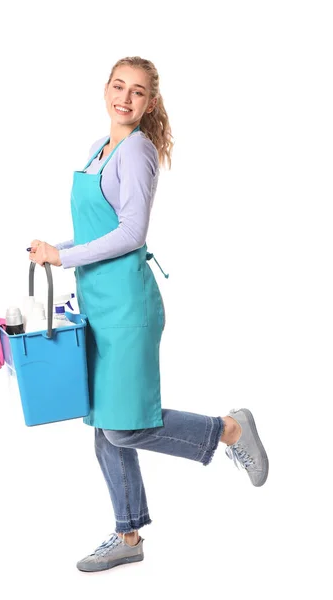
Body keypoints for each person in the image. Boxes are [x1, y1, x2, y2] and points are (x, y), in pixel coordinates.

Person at [28, 56, 269, 573]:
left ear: (150, 102)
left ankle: (228, 429)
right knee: (103, 423)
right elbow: (99, 233)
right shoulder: (99, 150)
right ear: (106, 89)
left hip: (128, 310)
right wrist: (57, 248)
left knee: (124, 428)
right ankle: (128, 534)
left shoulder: (136, 151)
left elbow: (131, 233)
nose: (125, 98)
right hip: (98, 302)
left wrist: (62, 256)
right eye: (119, 86)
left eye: (138, 92)